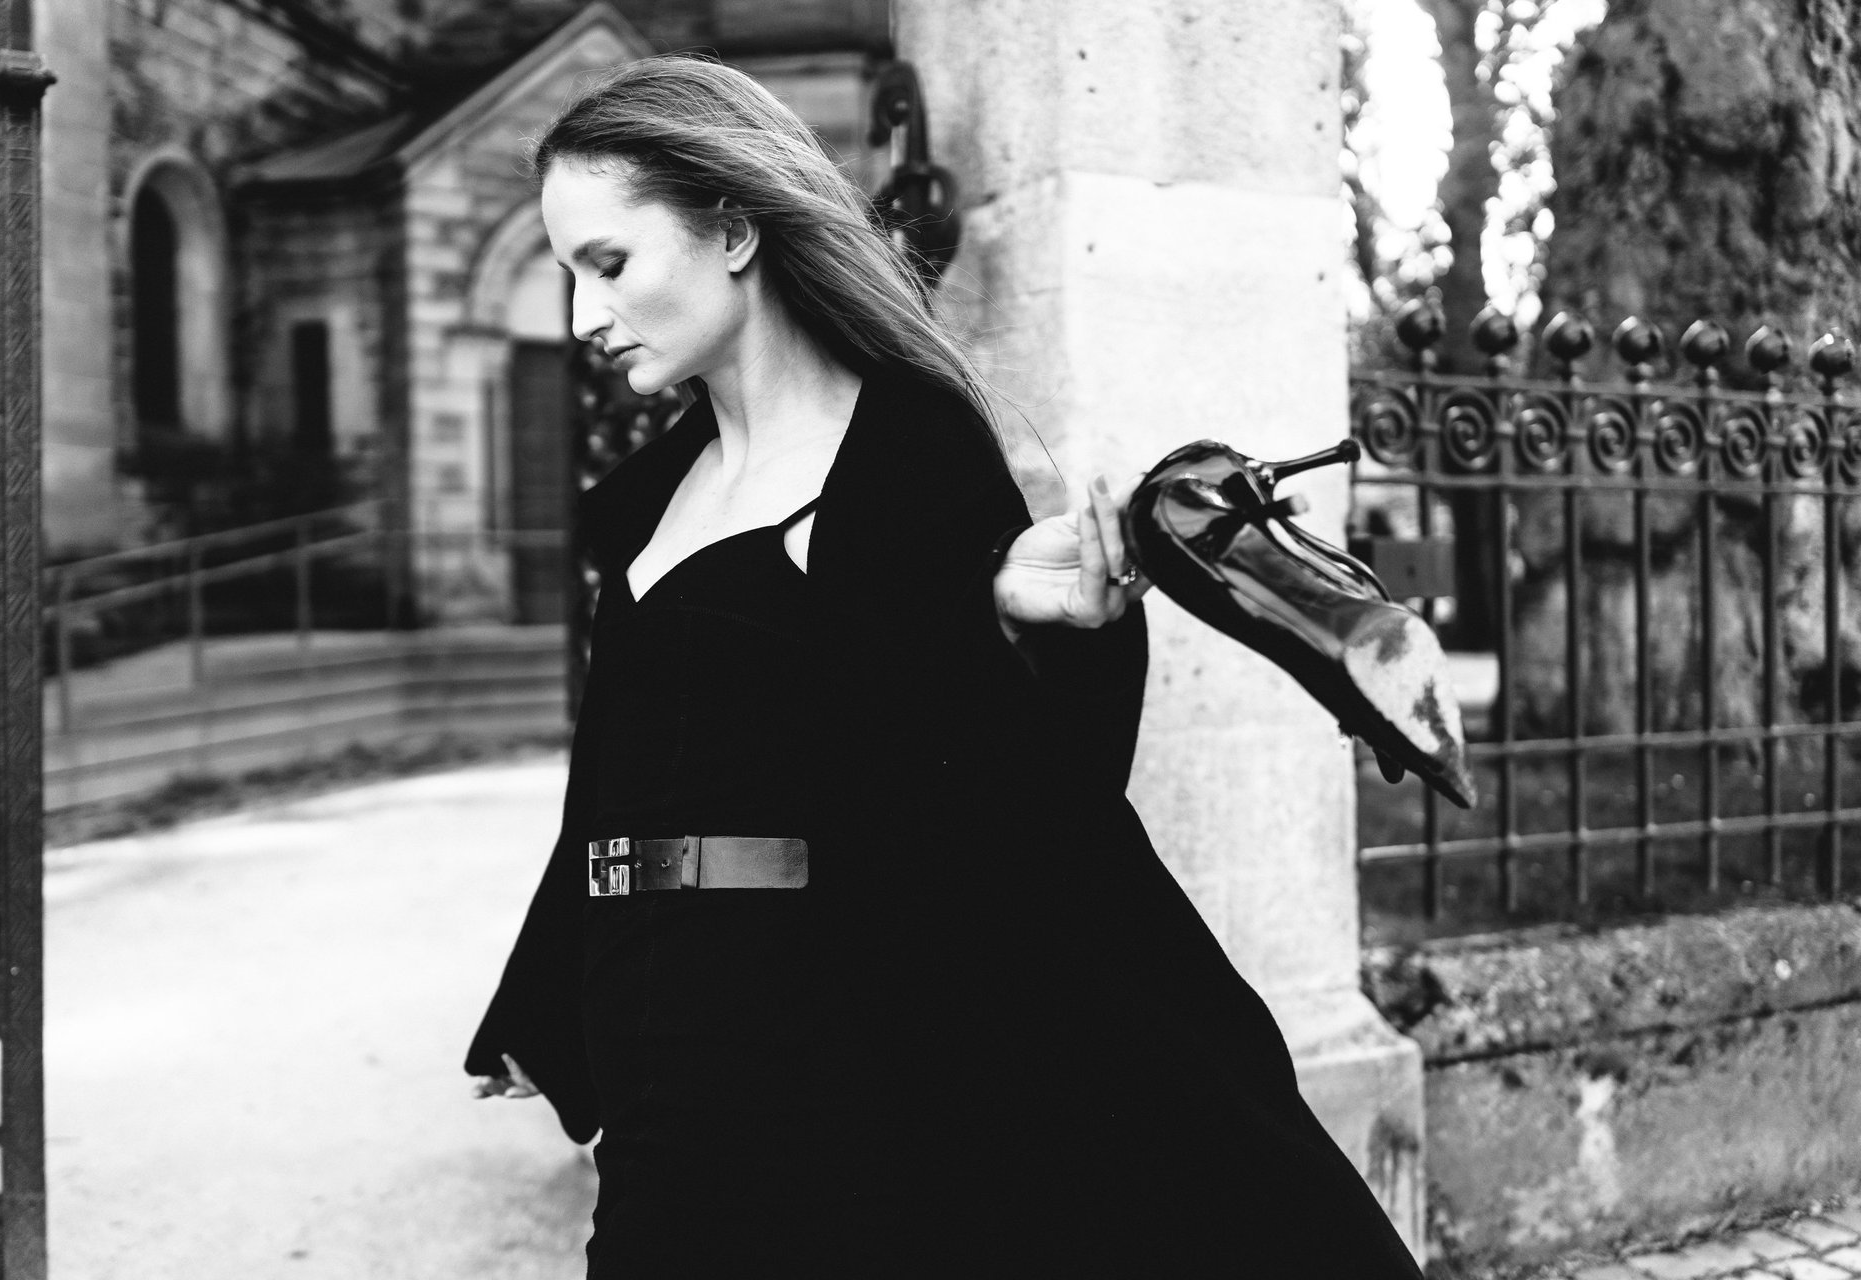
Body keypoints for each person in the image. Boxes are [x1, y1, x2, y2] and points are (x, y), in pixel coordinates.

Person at [466, 55, 1425, 1280]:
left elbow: (1000, 794)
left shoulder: (905, 449)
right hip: (656, 1025)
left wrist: (1021, 623)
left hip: (820, 1038)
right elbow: (613, 787)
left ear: (733, 229)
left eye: (610, 263)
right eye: (568, 274)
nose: (584, 314)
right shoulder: (646, 502)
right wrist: (545, 1002)